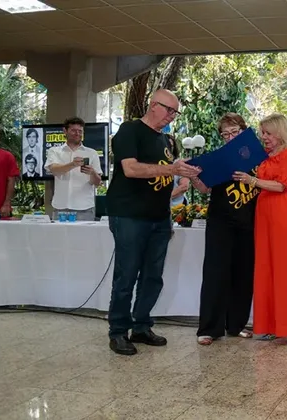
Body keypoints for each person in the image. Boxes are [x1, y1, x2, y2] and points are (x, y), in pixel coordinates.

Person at [105, 89, 201, 356]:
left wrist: (183, 172)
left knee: (152, 276)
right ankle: (118, 331)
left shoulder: (167, 141)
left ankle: (142, 325)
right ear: (152, 105)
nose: (171, 115)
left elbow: (166, 177)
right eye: (168, 109)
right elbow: (131, 169)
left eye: (175, 112)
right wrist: (172, 169)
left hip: (159, 216)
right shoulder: (129, 130)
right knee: (127, 274)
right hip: (129, 214)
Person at [233, 113, 287, 347]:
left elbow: (282, 184)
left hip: (283, 212)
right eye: (262, 133)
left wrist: (252, 181)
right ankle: (271, 326)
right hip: (264, 212)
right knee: (266, 267)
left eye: (268, 133)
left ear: (280, 133)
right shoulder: (264, 156)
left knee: (286, 268)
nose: (264, 137)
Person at [192, 113, 257, 345]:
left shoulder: (257, 156)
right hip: (220, 222)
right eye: (225, 134)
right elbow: (204, 188)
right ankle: (208, 328)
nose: (229, 137)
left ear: (244, 131)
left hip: (248, 223)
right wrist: (194, 178)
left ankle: (236, 324)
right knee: (215, 273)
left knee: (243, 275)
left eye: (234, 132)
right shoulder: (218, 159)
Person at [45, 117, 103, 221]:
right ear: (65, 131)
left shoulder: (92, 153)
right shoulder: (54, 151)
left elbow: (97, 182)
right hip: (60, 207)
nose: (77, 133)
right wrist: (72, 164)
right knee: (59, 237)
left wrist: (93, 173)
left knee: (84, 238)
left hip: (84, 208)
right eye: (73, 130)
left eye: (80, 131)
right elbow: (54, 169)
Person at [167, 135, 190, 208]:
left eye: (171, 146)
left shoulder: (179, 163)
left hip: (177, 207)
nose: (168, 148)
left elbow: (184, 187)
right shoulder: (152, 164)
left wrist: (163, 199)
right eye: (166, 146)